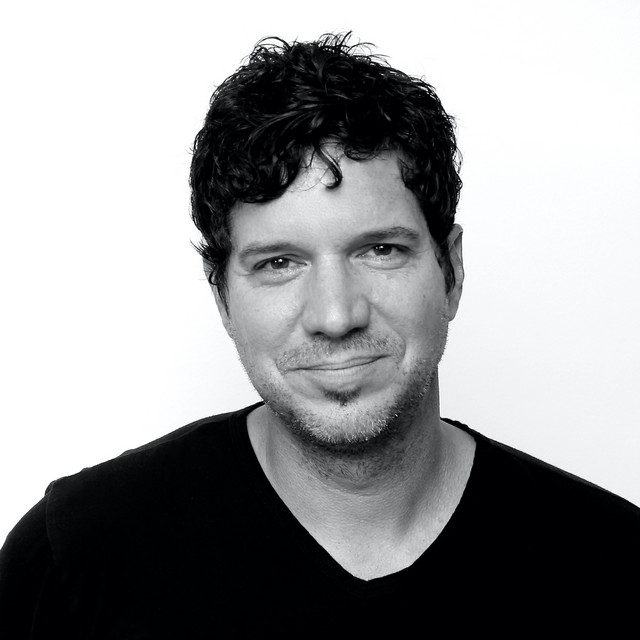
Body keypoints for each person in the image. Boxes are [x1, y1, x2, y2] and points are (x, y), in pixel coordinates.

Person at [1, 33, 638, 637]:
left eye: (381, 250)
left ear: (451, 270)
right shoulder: (75, 559)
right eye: (279, 263)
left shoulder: (615, 568)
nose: (336, 316)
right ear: (222, 297)